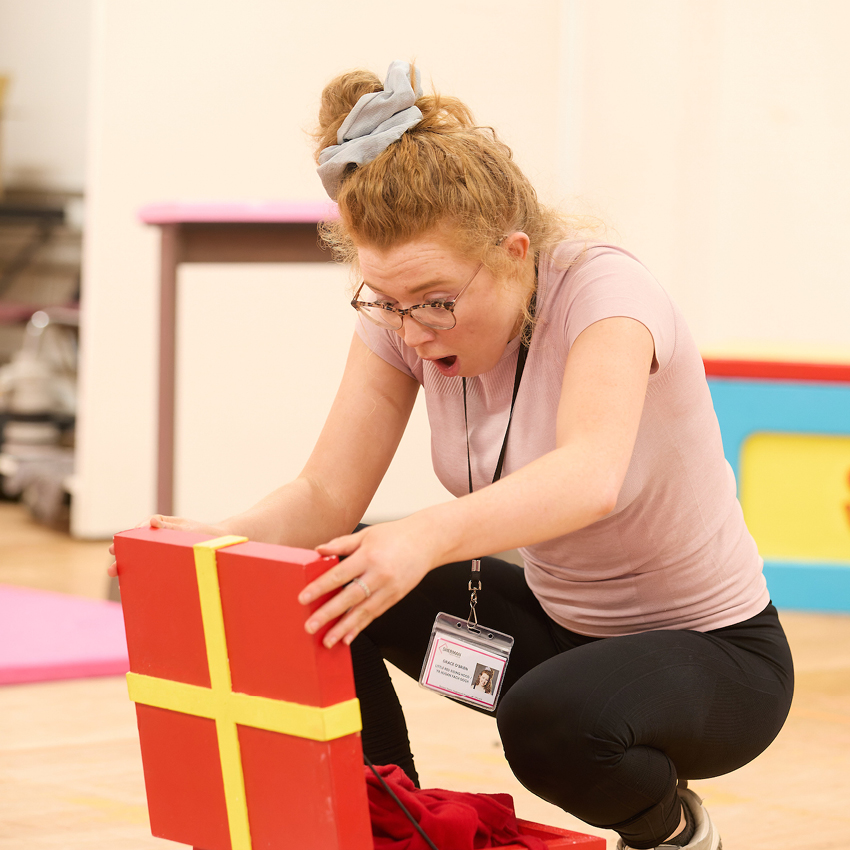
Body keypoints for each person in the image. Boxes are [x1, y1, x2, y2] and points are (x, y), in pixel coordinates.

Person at [111, 61, 793, 850]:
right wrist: (212, 545)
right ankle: (386, 822)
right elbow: (325, 493)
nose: (412, 330)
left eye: (437, 302)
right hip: (557, 634)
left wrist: (421, 534)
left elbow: (588, 477)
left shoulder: (608, 296)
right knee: (327, 586)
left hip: (719, 658)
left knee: (546, 720)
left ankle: (673, 831)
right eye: (386, 303)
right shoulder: (404, 317)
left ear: (513, 252)